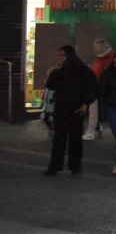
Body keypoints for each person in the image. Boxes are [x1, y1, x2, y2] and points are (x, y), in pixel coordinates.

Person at [43, 45, 99, 176]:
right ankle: (55, 166)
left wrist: (86, 103)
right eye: (59, 55)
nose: (61, 58)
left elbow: (93, 86)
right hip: (61, 107)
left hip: (76, 107)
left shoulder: (81, 69)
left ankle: (75, 166)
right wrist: (57, 70)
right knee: (59, 137)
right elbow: (50, 85)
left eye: (63, 55)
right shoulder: (61, 70)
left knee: (75, 138)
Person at [83, 39, 114, 141]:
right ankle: (94, 128)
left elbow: (102, 74)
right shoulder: (105, 57)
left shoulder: (105, 58)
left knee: (93, 109)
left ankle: (91, 130)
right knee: (94, 109)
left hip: (99, 87)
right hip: (98, 87)